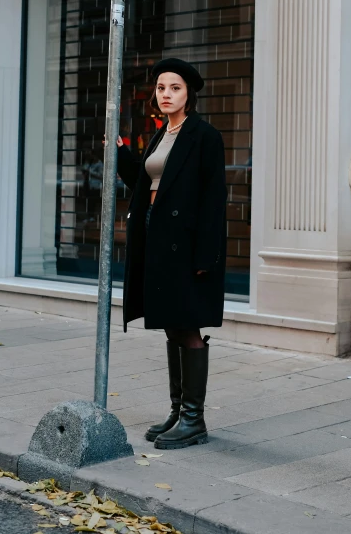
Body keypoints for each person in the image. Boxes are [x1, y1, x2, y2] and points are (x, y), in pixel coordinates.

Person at [115, 58, 227, 449]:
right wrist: (122, 154)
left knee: (188, 326)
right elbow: (145, 184)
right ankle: (178, 411)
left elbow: (214, 201)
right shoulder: (160, 135)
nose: (166, 94)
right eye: (161, 87)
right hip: (156, 239)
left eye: (174, 88)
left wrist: (206, 257)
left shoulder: (204, 136)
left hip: (187, 245)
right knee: (170, 324)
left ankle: (194, 420)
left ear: (188, 94)